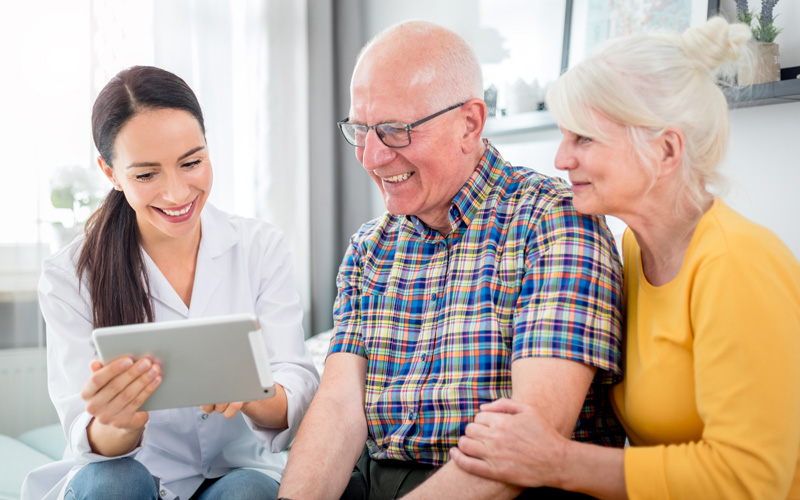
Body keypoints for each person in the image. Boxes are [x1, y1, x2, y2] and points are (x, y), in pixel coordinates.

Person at [450, 16, 800, 500]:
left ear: (667, 151)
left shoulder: (737, 265)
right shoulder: (635, 249)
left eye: (584, 139)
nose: (560, 159)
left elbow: (750, 480)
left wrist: (557, 461)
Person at [278, 21, 625, 500]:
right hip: (376, 477)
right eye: (361, 130)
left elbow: (527, 442)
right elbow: (339, 406)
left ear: (469, 124)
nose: (372, 157)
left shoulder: (552, 223)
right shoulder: (370, 247)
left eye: (395, 131)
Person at [22, 66, 320, 500]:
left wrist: (252, 392)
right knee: (116, 482)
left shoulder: (260, 247)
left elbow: (296, 384)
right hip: (126, 473)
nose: (178, 193)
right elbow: (84, 430)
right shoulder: (68, 275)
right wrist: (119, 423)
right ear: (111, 173)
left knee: (250, 492)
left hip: (231, 473)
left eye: (192, 162)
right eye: (146, 175)